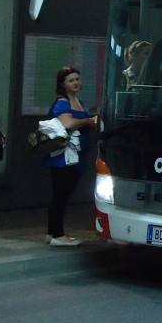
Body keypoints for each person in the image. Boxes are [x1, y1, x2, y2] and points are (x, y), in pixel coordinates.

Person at [43, 65, 98, 247]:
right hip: (64, 156)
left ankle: (52, 232)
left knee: (61, 194)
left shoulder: (78, 101)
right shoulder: (62, 102)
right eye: (71, 80)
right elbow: (68, 123)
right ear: (62, 84)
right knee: (61, 194)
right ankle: (58, 235)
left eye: (77, 79)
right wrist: (89, 121)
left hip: (76, 156)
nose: (76, 83)